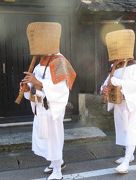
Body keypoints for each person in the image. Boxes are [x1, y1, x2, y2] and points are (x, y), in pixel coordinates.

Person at [21, 22, 76, 180]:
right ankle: (57, 162)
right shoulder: (41, 62)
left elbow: (61, 89)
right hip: (41, 107)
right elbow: (37, 84)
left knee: (54, 137)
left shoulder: (60, 61)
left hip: (52, 107)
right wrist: (27, 88)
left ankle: (57, 171)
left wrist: (37, 83)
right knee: (45, 137)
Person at [101, 29, 136, 174]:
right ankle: (129, 154)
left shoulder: (135, 66)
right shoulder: (115, 67)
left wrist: (116, 81)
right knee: (123, 129)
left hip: (132, 103)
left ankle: (126, 161)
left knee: (131, 130)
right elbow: (106, 82)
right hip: (119, 103)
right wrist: (104, 89)